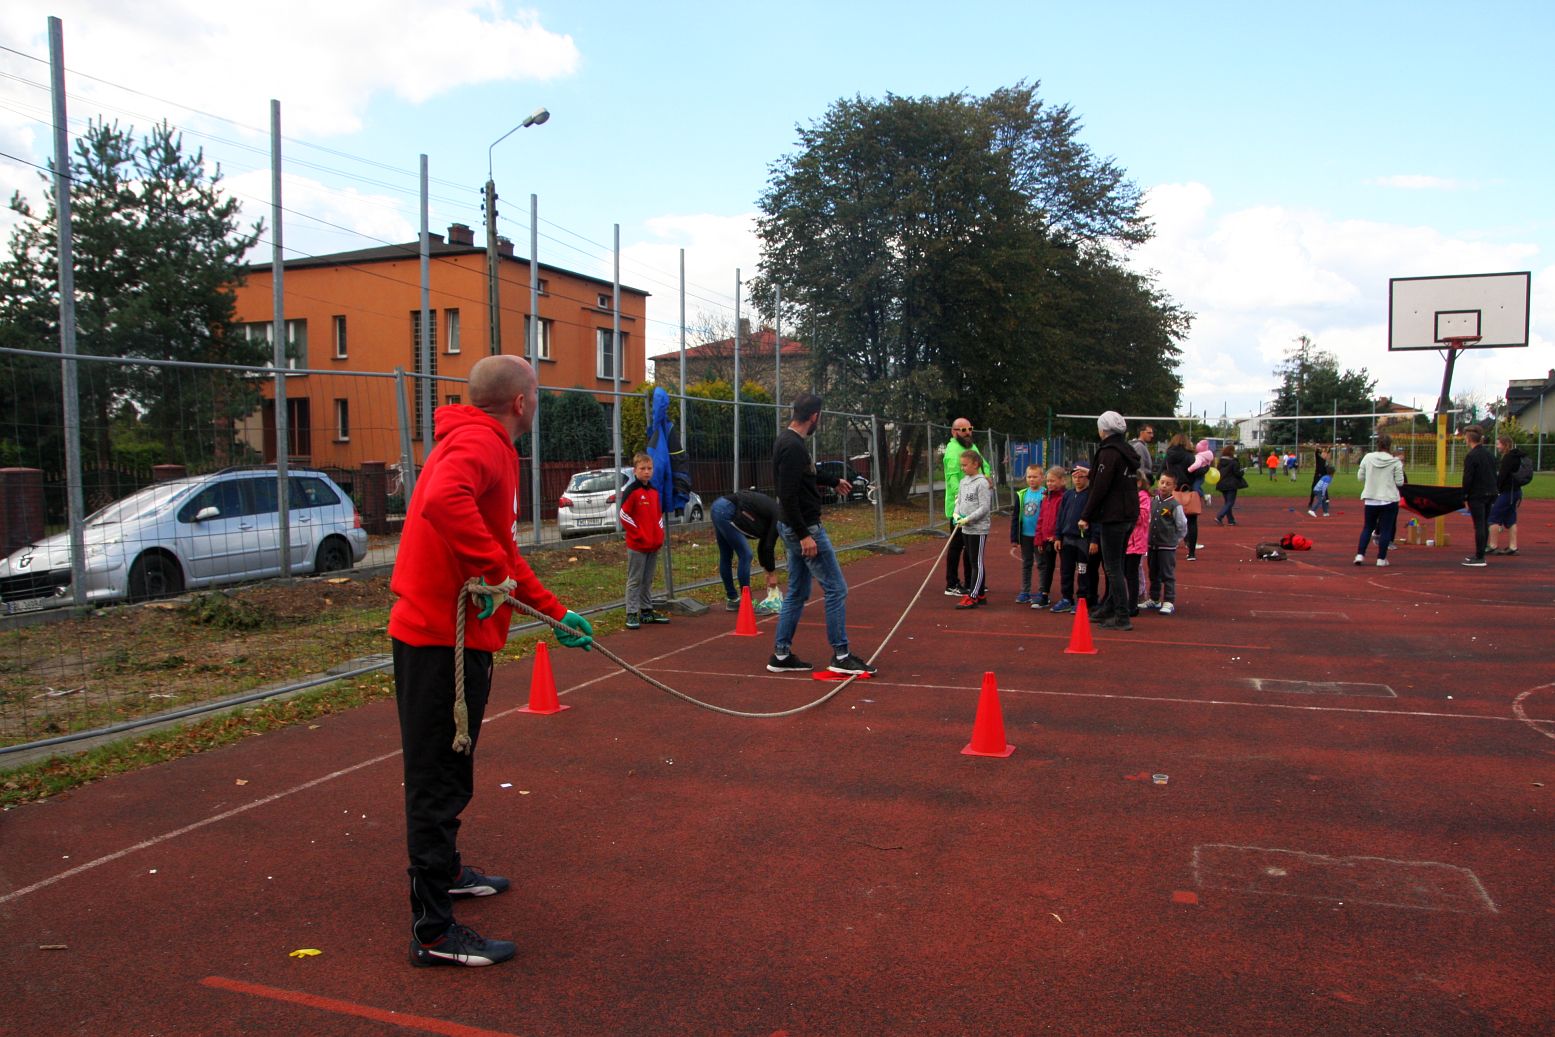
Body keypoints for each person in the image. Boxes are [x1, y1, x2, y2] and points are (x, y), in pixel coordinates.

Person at [389, 354, 594, 969]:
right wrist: (492, 571)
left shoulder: (482, 444)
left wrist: (555, 612)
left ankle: (447, 874)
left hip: (453, 642)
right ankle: (433, 933)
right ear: (521, 403)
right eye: (538, 395)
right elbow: (442, 502)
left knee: (452, 771)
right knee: (438, 782)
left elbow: (502, 551)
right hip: (436, 643)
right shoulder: (481, 443)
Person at [769, 393, 876, 676]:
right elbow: (787, 494)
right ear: (814, 416)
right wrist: (804, 534)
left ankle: (781, 654)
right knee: (836, 588)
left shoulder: (789, 441)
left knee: (797, 591)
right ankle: (841, 655)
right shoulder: (793, 446)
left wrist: (833, 480)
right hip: (805, 528)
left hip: (795, 526)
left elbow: (807, 474)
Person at [1078, 411, 1141, 631]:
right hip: (1128, 513)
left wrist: (1086, 515)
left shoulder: (1108, 453)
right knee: (1117, 564)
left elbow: (1100, 487)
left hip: (1113, 515)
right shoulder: (1127, 451)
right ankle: (1110, 607)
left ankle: (1121, 615)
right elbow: (1113, 479)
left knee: (1113, 567)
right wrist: (1093, 472)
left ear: (1103, 430)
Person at [712, 489, 782, 612]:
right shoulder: (779, 517)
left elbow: (763, 546)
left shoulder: (772, 513)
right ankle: (747, 601)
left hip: (718, 506)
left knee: (726, 555)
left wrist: (767, 570)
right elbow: (768, 546)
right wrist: (771, 573)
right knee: (746, 554)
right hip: (726, 510)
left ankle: (732, 599)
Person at [620, 452, 668, 629]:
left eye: (649, 468)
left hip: (653, 544)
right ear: (635, 470)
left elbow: (658, 516)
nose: (646, 472)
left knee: (647, 579)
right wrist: (639, 534)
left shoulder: (654, 492)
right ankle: (631, 613)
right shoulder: (632, 491)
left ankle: (647, 611)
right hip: (638, 545)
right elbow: (624, 515)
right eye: (642, 468)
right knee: (635, 580)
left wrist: (659, 535)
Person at [942, 418, 990, 596]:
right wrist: (959, 498)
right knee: (957, 545)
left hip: (974, 507)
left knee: (971, 547)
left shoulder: (971, 446)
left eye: (970, 428)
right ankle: (952, 583)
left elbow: (983, 465)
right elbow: (952, 477)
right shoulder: (952, 450)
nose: (968, 432)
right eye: (963, 430)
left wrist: (987, 479)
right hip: (960, 508)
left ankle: (972, 580)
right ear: (954, 432)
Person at [952, 447, 995, 608]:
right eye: (961, 465)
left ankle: (974, 596)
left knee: (976, 562)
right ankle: (980, 594)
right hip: (966, 528)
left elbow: (984, 507)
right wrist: (957, 515)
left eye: (965, 465)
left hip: (978, 529)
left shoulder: (982, 483)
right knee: (971, 561)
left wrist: (968, 518)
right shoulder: (963, 482)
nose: (962, 468)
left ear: (975, 464)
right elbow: (959, 502)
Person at [1354, 433, 1405, 567]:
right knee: (1386, 530)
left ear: (1377, 444)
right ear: (1390, 445)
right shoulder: (1395, 462)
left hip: (1371, 499)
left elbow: (1360, 477)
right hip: (1389, 499)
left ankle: (1360, 555)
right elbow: (1400, 482)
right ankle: (1381, 559)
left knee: (1367, 527)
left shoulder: (1368, 457)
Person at [1050, 462, 1095, 614]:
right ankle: (1066, 598)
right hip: (1067, 539)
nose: (1077, 480)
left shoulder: (1090, 495)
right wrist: (1058, 536)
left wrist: (1094, 539)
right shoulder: (1068, 495)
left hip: (1083, 540)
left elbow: (1096, 520)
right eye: (1075, 477)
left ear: (1087, 478)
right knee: (1066, 570)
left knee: (1083, 571)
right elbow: (1060, 516)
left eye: (1081, 477)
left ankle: (1082, 598)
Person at [1144, 472, 1188, 615]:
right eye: (1162, 482)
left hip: (1167, 546)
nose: (1164, 486)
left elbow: (1182, 525)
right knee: (1153, 572)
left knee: (1167, 573)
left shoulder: (1175, 505)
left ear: (1174, 487)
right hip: (1152, 544)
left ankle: (1169, 600)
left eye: (1168, 484)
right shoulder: (1153, 501)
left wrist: (1175, 540)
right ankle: (1154, 598)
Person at [1029, 465, 1066, 610]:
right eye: (1048, 481)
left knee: (1065, 568)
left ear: (1062, 481)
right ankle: (1044, 595)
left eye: (1053, 481)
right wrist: (1039, 539)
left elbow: (1063, 519)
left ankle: (1066, 597)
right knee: (1046, 567)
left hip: (1058, 539)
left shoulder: (1064, 498)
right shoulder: (1045, 498)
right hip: (1046, 539)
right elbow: (1041, 519)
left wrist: (1057, 536)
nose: (1049, 483)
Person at [1461, 425, 1497, 567]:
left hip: (1477, 494)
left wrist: (1465, 496)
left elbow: (1468, 478)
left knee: (1479, 525)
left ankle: (1480, 557)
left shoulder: (1471, 456)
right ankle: (1480, 554)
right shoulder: (1490, 454)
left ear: (1469, 439)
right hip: (1490, 492)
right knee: (1484, 523)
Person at [1488, 434, 1529, 555]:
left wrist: (1496, 489)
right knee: (1511, 519)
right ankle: (1513, 547)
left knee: (1493, 517)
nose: (1497, 446)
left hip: (1507, 492)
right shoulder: (1517, 456)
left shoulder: (1508, 458)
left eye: (1498, 444)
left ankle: (1493, 545)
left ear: (1505, 445)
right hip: (1515, 492)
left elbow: (1502, 476)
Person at [1010, 464, 1045, 603]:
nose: (1031, 479)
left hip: (1040, 536)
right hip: (1025, 536)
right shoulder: (1022, 494)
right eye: (1029, 477)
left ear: (1042, 478)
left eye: (1035, 477)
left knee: (1042, 564)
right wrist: (1014, 537)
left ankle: (1043, 591)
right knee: (1026, 563)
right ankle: (1025, 591)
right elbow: (1015, 516)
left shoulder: (1045, 494)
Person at [1124, 470, 1151, 617]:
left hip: (1136, 542)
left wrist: (1127, 506)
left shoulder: (1143, 497)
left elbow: (1141, 517)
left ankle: (1133, 604)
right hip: (1125, 541)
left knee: (1132, 573)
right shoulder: (1125, 495)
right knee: (1123, 572)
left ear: (1139, 483)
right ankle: (1125, 601)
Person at [1214, 445, 1246, 526]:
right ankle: (1219, 516)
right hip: (1231, 484)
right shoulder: (1233, 462)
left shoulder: (1220, 462)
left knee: (1227, 503)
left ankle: (1231, 520)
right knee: (1230, 502)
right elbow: (1237, 473)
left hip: (1222, 483)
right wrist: (1243, 471)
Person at [1306, 445, 1332, 516]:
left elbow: (1328, 453)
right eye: (1323, 453)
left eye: (1325, 454)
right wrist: (1318, 448)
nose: (1325, 455)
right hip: (1317, 476)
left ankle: (1326, 503)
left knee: (1324, 489)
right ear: (1321, 454)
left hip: (1323, 477)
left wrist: (1329, 449)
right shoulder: (1319, 459)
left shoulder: (1326, 462)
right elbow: (1316, 452)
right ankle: (1311, 502)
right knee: (1313, 489)